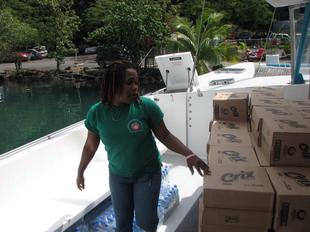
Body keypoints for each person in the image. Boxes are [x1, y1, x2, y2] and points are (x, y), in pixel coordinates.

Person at [76, 60, 210, 232]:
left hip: (146, 175)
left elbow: (165, 135)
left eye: (137, 83)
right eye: (129, 83)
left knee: (146, 222)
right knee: (122, 225)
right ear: (113, 84)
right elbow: (90, 146)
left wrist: (189, 155)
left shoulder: (145, 106)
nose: (135, 87)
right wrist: (80, 172)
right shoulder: (96, 112)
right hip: (118, 176)